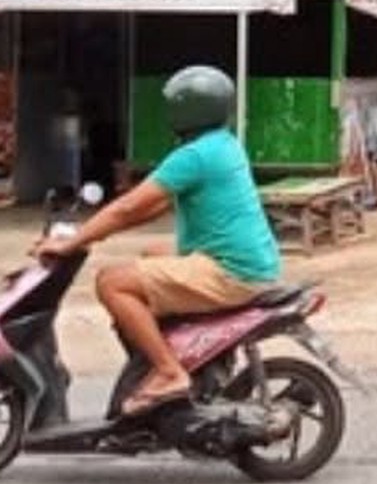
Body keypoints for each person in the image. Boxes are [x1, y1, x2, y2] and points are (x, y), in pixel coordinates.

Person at [33, 65, 282, 417]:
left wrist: (74, 241)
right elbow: (155, 204)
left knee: (112, 283)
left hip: (231, 271)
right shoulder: (222, 144)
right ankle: (167, 356)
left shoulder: (195, 156)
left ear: (189, 109)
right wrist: (98, 234)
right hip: (247, 261)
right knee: (149, 254)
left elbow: (130, 207)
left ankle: (168, 372)